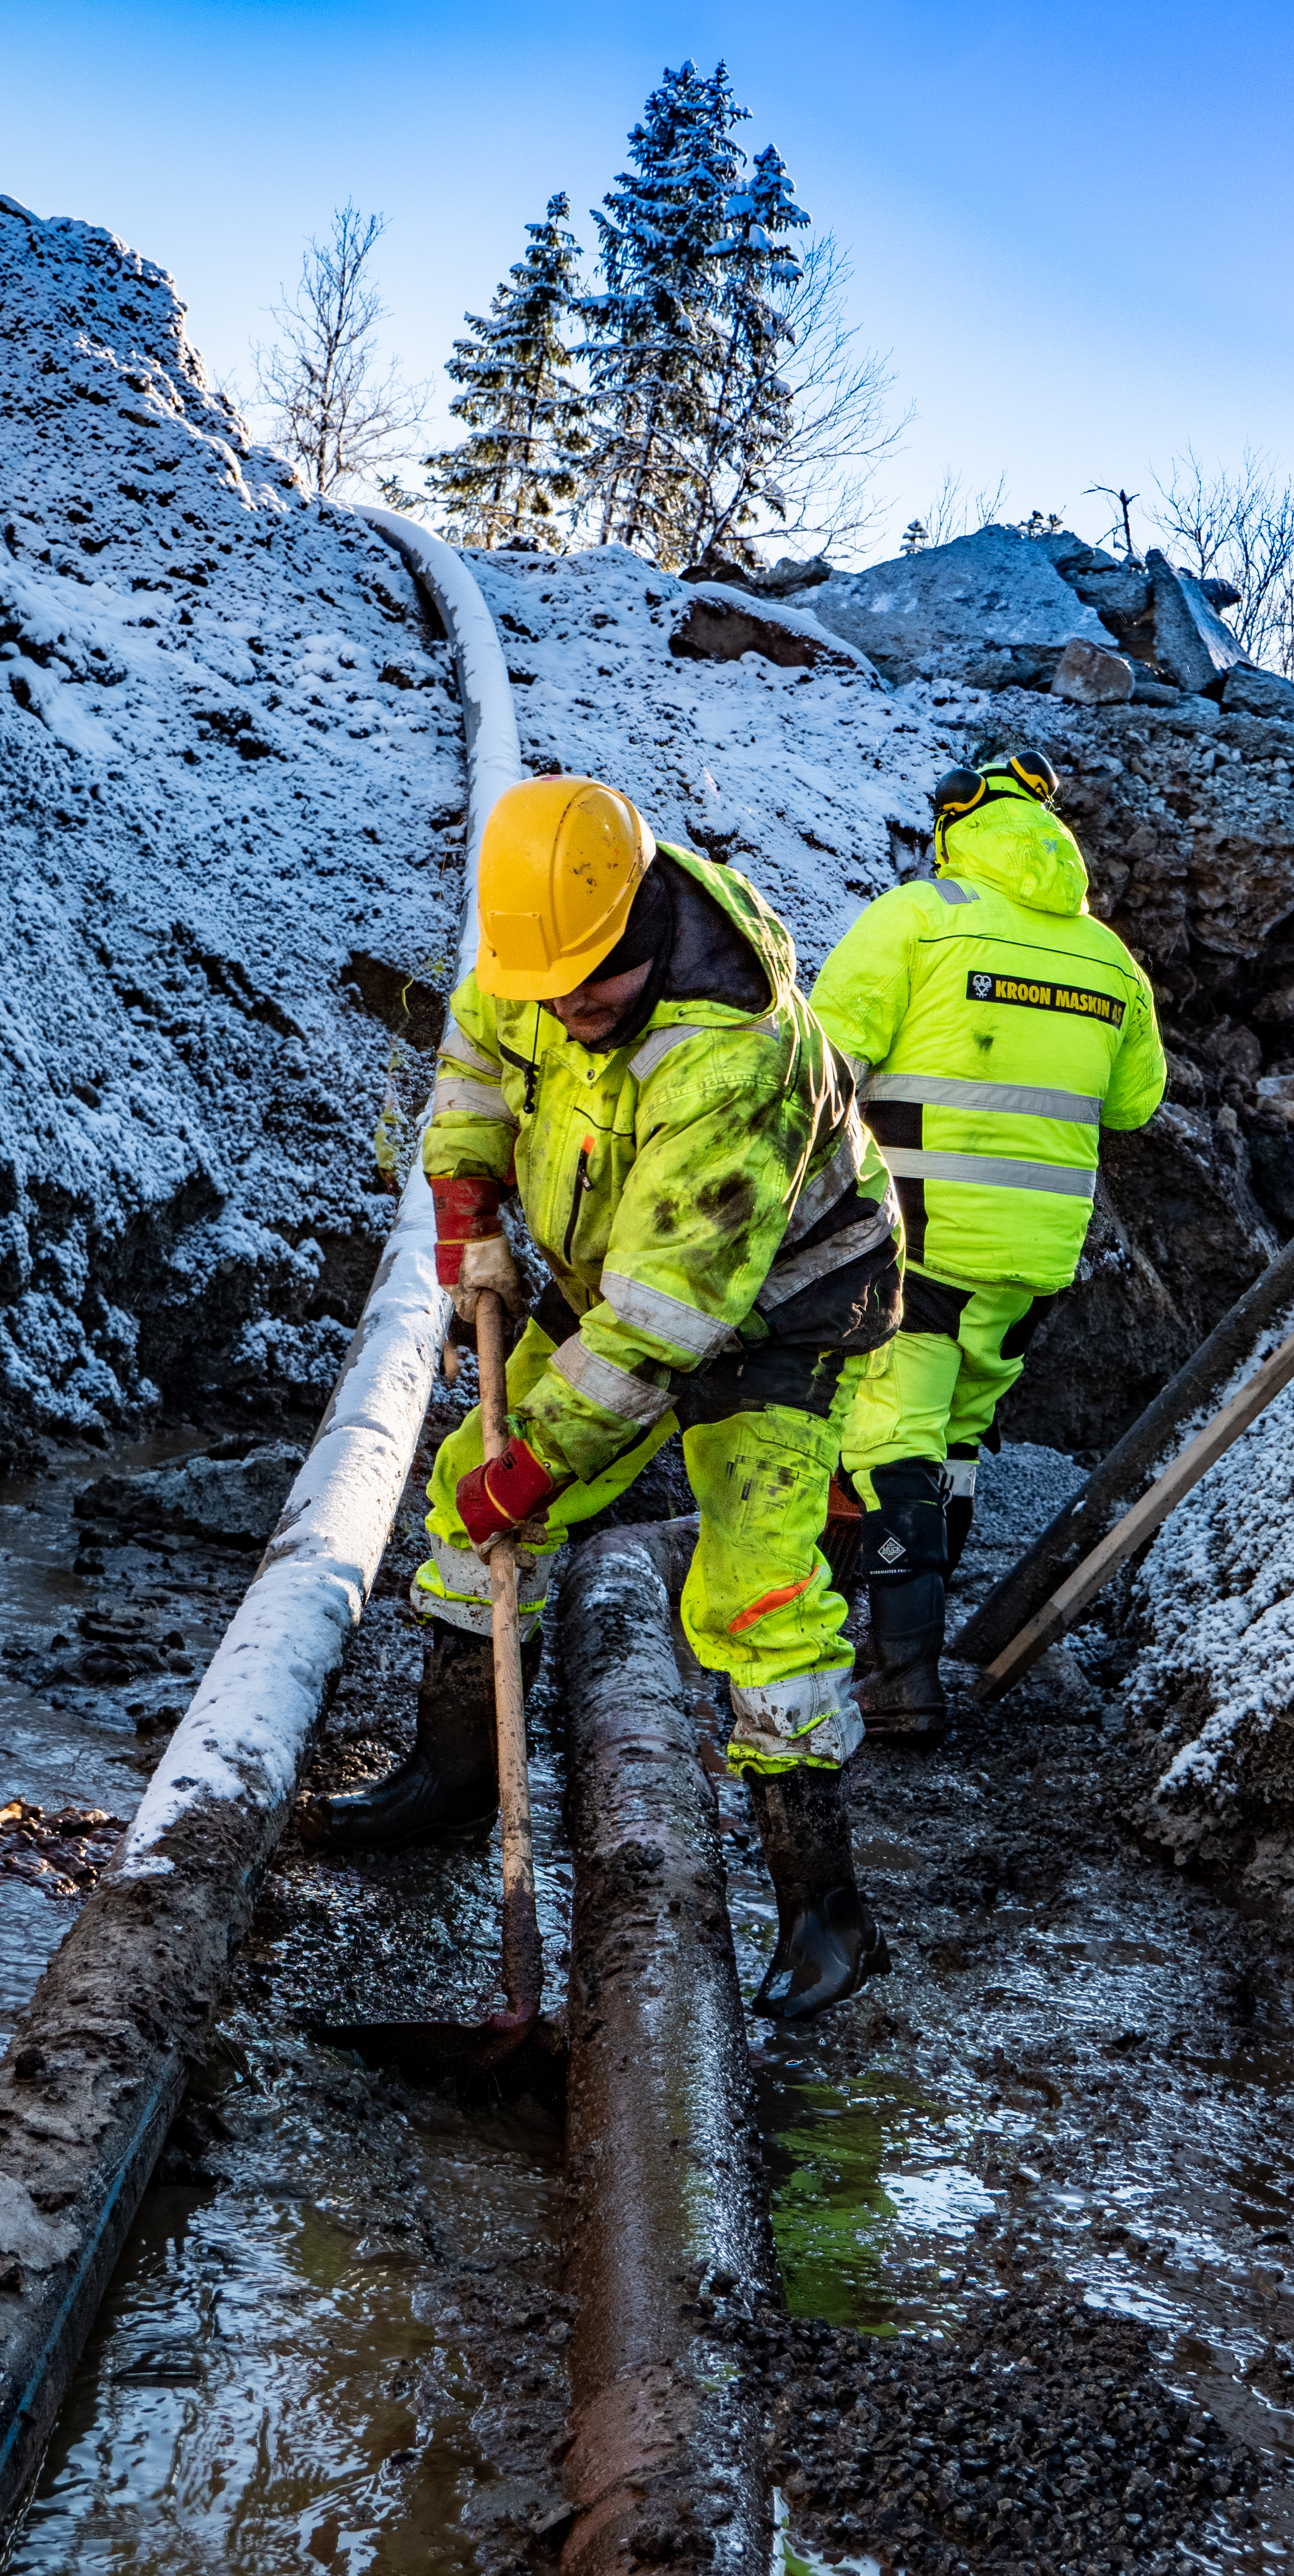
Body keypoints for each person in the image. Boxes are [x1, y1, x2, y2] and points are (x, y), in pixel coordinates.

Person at [321, 774, 904, 2022]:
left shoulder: (731, 1059)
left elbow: (662, 1329)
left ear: (642, 925)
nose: (570, 1011)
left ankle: (827, 1911)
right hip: (620, 1276)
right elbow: (478, 1063)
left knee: (756, 1593)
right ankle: (459, 1776)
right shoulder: (540, 946)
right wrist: (466, 1191)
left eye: (595, 988)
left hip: (778, 1314)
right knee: (460, 1507)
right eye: (552, 991)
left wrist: (534, 1463)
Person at [809, 749, 1167, 1740]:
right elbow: (1137, 1103)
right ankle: (897, 1645)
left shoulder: (919, 917)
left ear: (954, 829)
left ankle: (902, 1681)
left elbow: (822, 1058)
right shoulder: (1108, 957)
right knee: (957, 1441)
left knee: (889, 1439)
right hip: (1032, 1260)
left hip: (918, 1241)